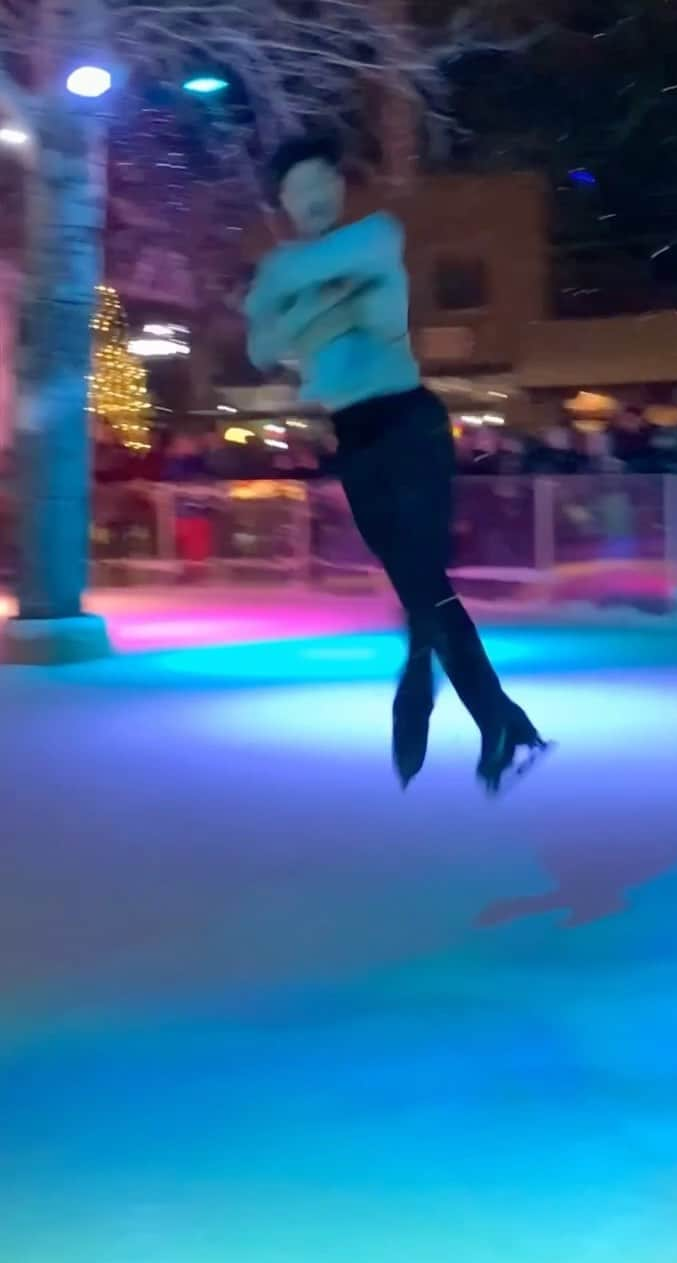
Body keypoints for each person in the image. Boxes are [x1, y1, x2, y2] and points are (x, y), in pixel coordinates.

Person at [244, 132, 547, 792]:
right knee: (420, 589)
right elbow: (262, 345)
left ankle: (457, 706)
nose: (313, 197)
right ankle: (483, 711)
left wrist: (302, 311)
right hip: (354, 440)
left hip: (410, 422)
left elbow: (325, 314)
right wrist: (334, 298)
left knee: (419, 577)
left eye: (322, 182)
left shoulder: (377, 235)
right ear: (285, 204)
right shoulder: (319, 263)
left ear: (340, 187)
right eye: (297, 191)